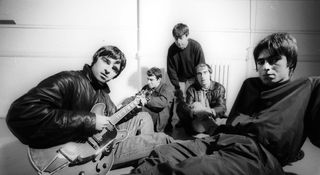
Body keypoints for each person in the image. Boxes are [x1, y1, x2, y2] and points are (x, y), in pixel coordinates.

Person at [130, 33, 320, 175]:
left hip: (256, 153)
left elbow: (222, 109)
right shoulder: (250, 85)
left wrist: (207, 111)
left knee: (190, 170)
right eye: (261, 62)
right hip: (219, 139)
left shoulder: (307, 87)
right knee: (161, 153)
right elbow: (230, 120)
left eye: (274, 60)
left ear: (291, 63)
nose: (265, 67)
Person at [5, 46, 174, 172]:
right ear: (95, 58)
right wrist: (90, 120)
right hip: (82, 152)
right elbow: (21, 113)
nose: (108, 70)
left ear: (116, 75)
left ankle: (142, 162)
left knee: (143, 117)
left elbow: (112, 120)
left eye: (115, 69)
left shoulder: (104, 95)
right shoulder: (69, 80)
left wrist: (133, 108)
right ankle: (147, 159)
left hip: (104, 141)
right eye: (106, 61)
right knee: (162, 140)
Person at [177, 63, 227, 136]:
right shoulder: (191, 89)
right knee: (191, 105)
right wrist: (196, 111)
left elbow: (222, 108)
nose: (202, 76)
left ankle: (209, 126)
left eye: (205, 72)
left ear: (210, 73)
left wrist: (209, 111)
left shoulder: (219, 88)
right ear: (196, 76)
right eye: (199, 74)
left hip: (213, 117)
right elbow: (188, 106)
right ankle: (210, 128)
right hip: (198, 120)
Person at [167, 23, 206, 100]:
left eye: (181, 38)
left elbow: (201, 67)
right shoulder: (171, 50)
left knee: (194, 102)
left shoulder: (196, 47)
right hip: (180, 81)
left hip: (194, 79)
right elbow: (171, 71)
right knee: (180, 103)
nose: (178, 41)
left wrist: (197, 84)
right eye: (176, 39)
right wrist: (177, 87)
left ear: (187, 35)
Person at [140, 67, 174, 132]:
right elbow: (139, 95)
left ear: (159, 80)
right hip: (152, 114)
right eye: (148, 79)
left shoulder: (166, 88)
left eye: (151, 80)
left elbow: (162, 102)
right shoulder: (146, 87)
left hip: (160, 119)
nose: (148, 82)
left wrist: (146, 100)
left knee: (140, 110)